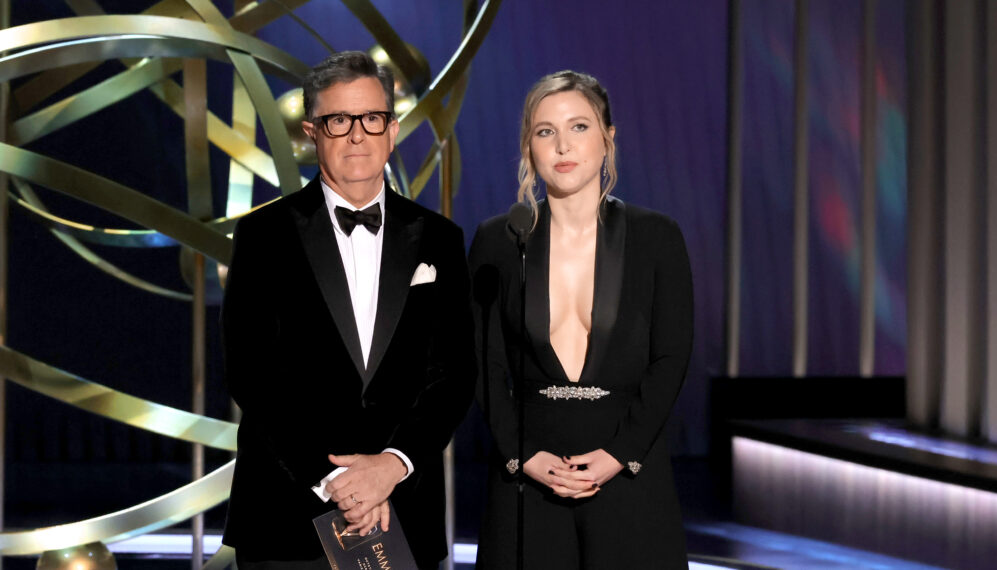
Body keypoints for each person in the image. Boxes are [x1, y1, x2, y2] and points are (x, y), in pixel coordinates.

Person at [221, 51, 475, 570]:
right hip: (287, 515)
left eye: (371, 119)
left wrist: (391, 466)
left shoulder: (440, 238)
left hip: (403, 510)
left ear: (393, 129)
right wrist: (335, 480)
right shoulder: (262, 236)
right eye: (339, 120)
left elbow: (454, 372)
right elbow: (250, 372)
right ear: (313, 132)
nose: (357, 135)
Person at [469, 70, 693, 569]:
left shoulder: (656, 237)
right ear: (529, 146)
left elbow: (671, 357)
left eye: (579, 127)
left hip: (628, 470)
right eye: (545, 131)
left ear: (608, 138)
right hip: (528, 478)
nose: (562, 145)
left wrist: (619, 454)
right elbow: (483, 363)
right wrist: (522, 454)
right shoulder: (498, 240)